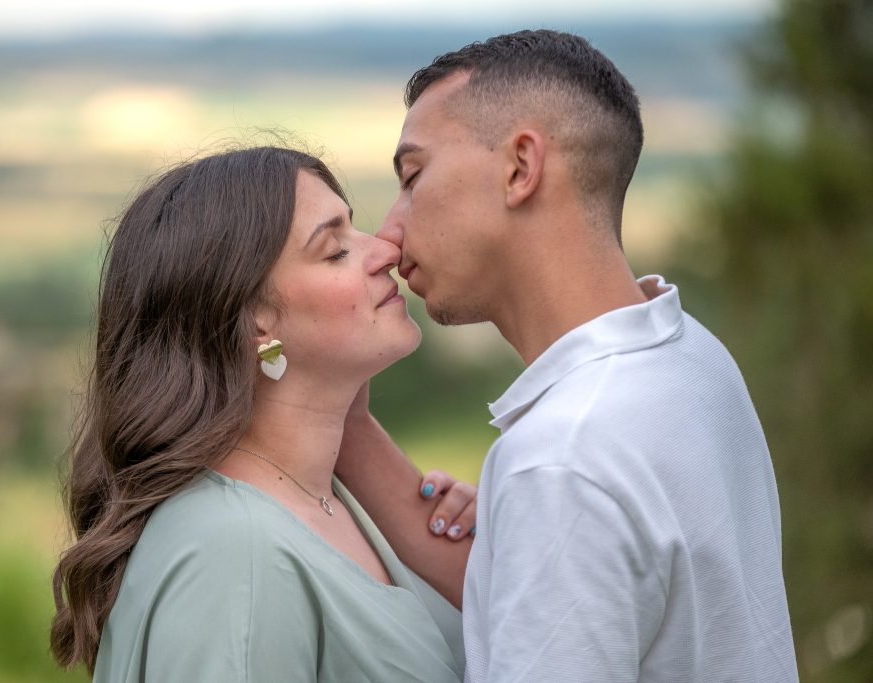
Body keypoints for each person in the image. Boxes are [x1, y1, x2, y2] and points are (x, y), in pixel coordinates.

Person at [335, 29, 798, 681]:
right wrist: (347, 426)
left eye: (413, 176)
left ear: (520, 167)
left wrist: (539, 503)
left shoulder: (562, 461)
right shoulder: (692, 358)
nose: (389, 228)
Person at [49, 146, 476, 682]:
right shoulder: (232, 552)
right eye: (335, 250)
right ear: (257, 323)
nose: (386, 250)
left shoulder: (332, 503)